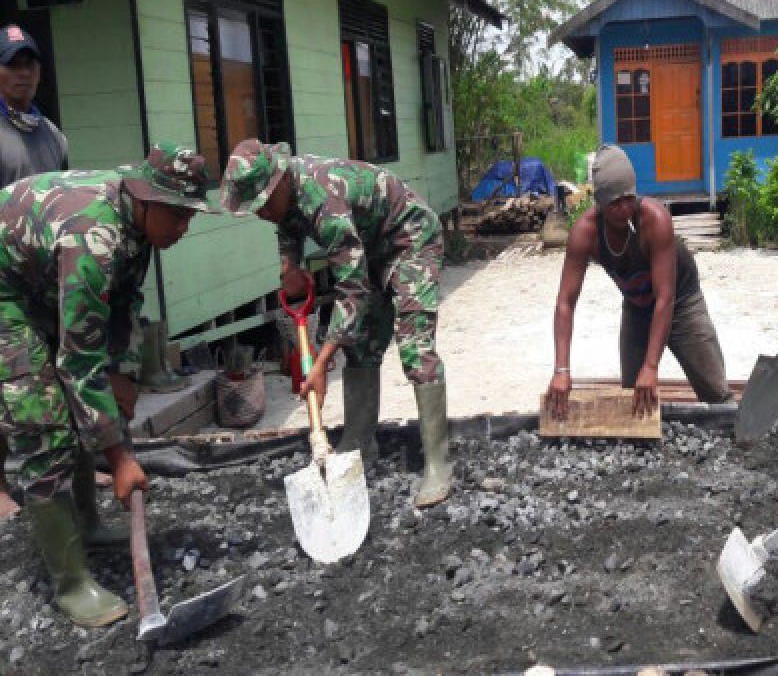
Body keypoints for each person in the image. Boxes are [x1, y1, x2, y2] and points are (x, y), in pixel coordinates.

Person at [0, 144, 217, 626]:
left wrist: (122, 370)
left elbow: (122, 302)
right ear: (144, 198)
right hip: (7, 293)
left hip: (39, 274)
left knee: (90, 400)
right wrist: (118, 457)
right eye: (178, 216)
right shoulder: (95, 236)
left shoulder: (138, 228)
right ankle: (72, 584)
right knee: (43, 424)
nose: (185, 227)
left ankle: (89, 525)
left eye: (191, 216)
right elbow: (78, 361)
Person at [219, 139, 452, 508]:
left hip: (410, 239)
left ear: (278, 181)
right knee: (361, 342)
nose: (260, 213)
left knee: (414, 346)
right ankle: (360, 441)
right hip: (369, 246)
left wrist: (323, 361)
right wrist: (289, 267)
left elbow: (352, 292)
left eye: (261, 204)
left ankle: (439, 464)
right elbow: (287, 225)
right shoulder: (287, 196)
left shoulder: (325, 202)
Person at [545, 145, 732, 418]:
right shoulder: (585, 233)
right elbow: (565, 302)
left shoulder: (655, 220)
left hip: (680, 301)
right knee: (633, 395)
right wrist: (561, 370)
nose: (624, 209)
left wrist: (652, 366)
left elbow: (665, 298)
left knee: (715, 391)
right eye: (614, 203)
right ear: (600, 203)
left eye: (629, 199)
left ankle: (735, 436)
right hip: (637, 305)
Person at [0, 23, 70, 522]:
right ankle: (2, 486)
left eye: (30, 64)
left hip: (43, 281)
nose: (22, 74)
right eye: (12, 64)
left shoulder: (52, 136)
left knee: (50, 382)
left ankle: (66, 475)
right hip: (2, 278)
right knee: (10, 385)